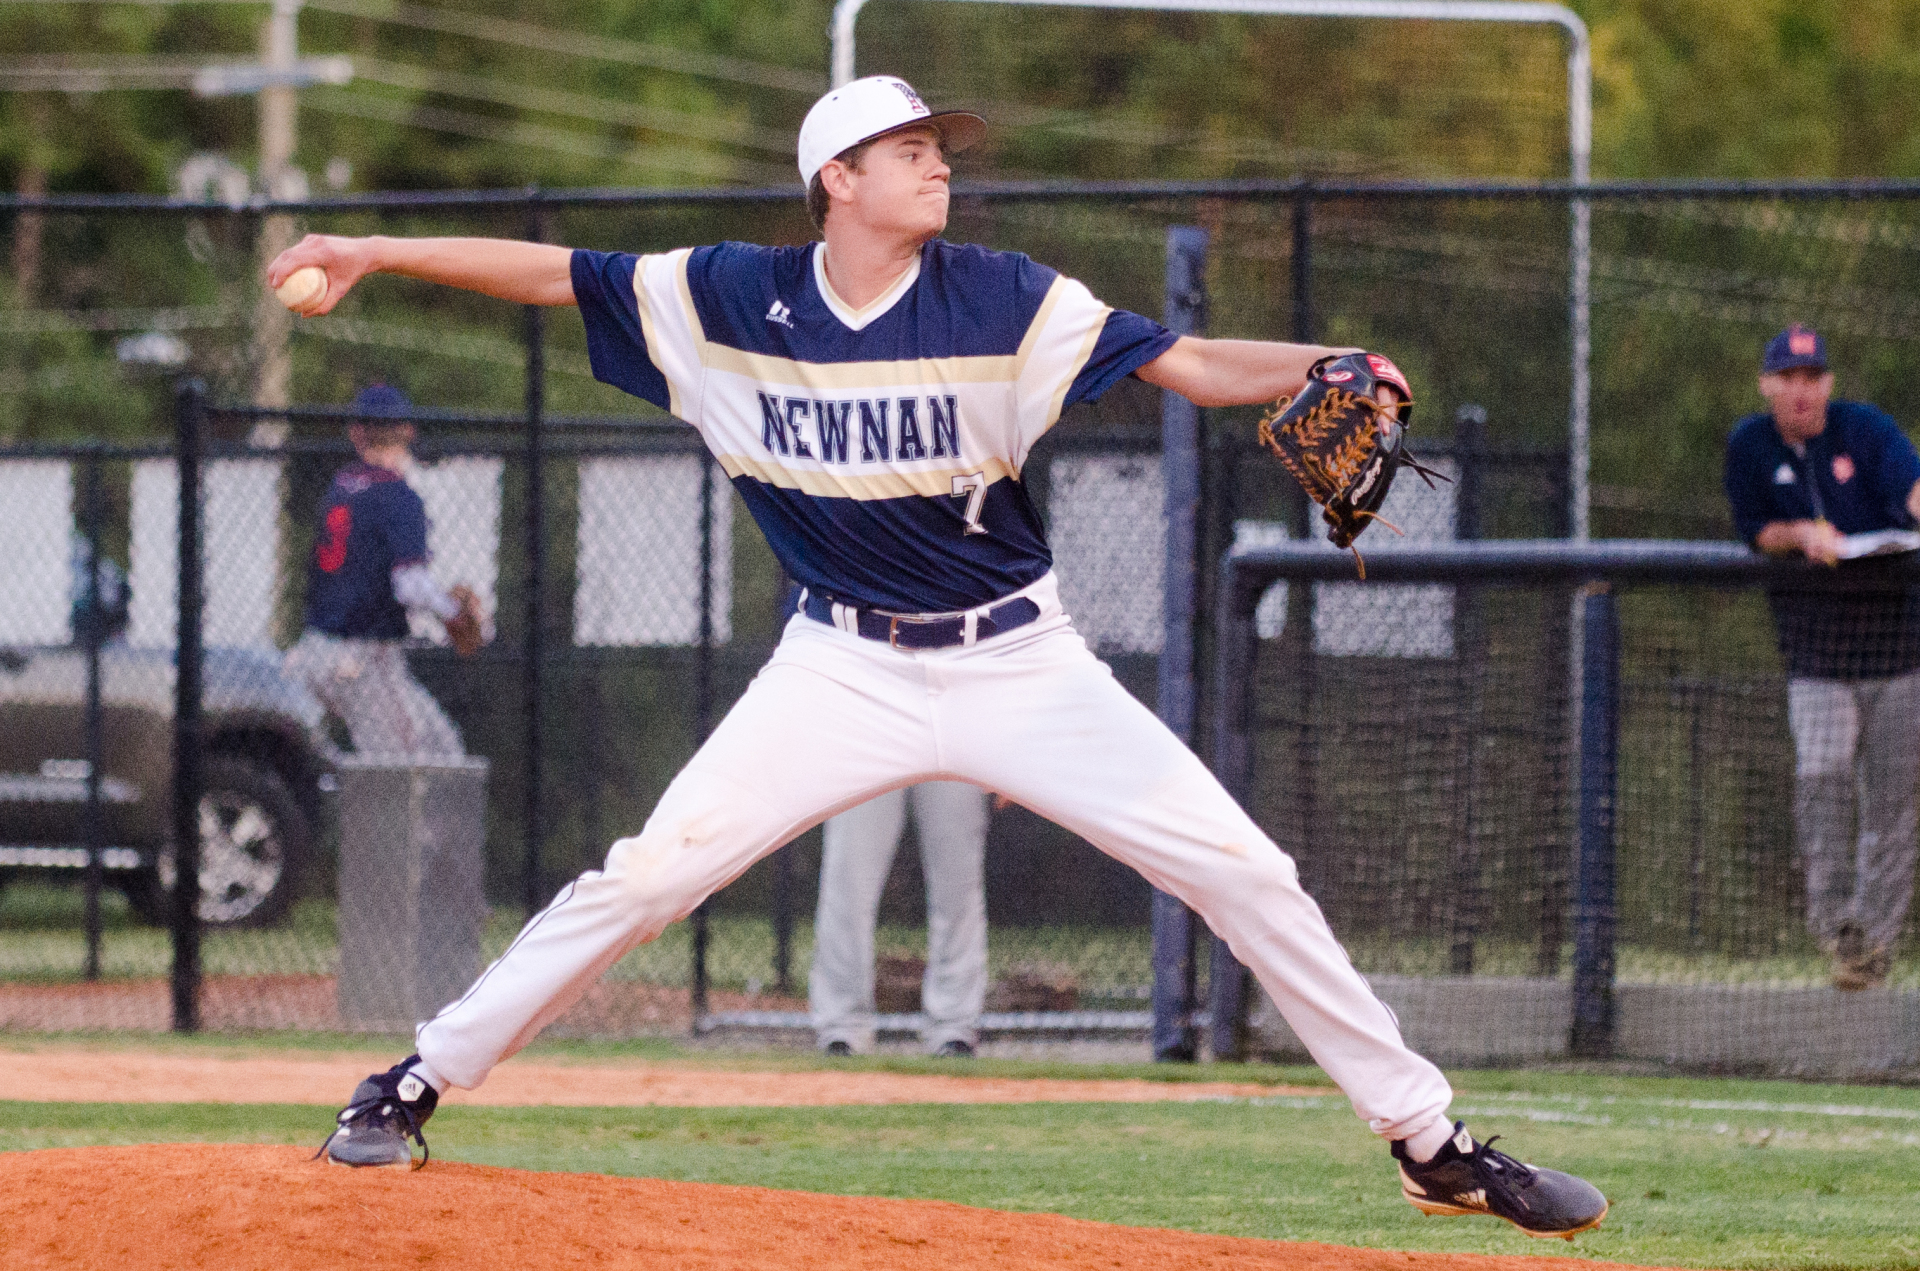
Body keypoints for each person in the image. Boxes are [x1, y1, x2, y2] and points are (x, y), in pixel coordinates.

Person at [278, 75, 1607, 1238]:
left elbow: (1194, 361)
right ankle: (410, 1079)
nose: (939, 162)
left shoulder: (1006, 297)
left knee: (1245, 868)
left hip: (1020, 661)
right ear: (837, 180)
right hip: (837, 666)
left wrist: (1326, 359)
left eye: (941, 145)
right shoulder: (729, 298)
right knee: (645, 878)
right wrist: (374, 249)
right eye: (908, 148)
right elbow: (555, 271)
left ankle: (1431, 1145)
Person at [1724, 324, 1920, 992]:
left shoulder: (1864, 430)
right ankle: (1836, 926)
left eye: (1813, 377)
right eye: (1789, 378)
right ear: (1767, 384)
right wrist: (1800, 533)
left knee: (1895, 803)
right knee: (1825, 779)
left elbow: (1910, 488)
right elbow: (1756, 529)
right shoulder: (1751, 445)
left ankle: (1874, 942)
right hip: (1816, 655)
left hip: (1897, 653)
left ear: (1828, 384)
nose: (1801, 390)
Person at [283, 383, 480, 759]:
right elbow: (409, 585)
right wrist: (453, 611)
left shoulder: (340, 487)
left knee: (441, 746)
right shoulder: (398, 496)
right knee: (405, 768)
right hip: (364, 659)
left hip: (313, 650)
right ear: (409, 430)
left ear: (356, 433)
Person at [812, 782, 990, 1057]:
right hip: (870, 739)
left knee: (958, 886)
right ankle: (841, 1029)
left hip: (955, 740)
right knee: (847, 882)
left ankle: (954, 1029)